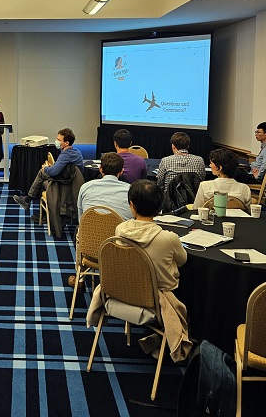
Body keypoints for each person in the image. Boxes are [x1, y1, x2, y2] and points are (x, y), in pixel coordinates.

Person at [110, 179, 190, 362]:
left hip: (122, 291)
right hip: (157, 300)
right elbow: (183, 260)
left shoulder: (120, 229)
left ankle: (157, 337)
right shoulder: (168, 238)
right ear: (160, 206)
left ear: (132, 205)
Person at [68, 152, 133, 289]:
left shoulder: (86, 187)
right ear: (121, 171)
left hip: (89, 249)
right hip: (119, 251)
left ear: (101, 169)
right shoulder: (131, 191)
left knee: (79, 231)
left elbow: (82, 219)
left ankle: (80, 278)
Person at [12, 128, 85, 213]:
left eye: (58, 140)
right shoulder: (75, 151)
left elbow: (54, 172)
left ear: (66, 143)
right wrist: (51, 167)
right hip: (69, 180)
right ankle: (39, 210)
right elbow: (61, 168)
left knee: (42, 173)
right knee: (43, 180)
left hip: (67, 184)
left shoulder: (66, 154)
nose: (56, 141)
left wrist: (46, 167)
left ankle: (28, 200)